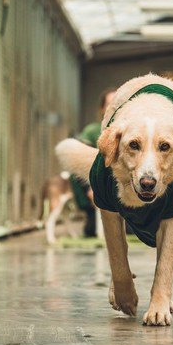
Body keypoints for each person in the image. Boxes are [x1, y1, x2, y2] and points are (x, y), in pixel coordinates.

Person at [71, 88, 116, 236]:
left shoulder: (129, 131)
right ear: (102, 108)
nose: (113, 107)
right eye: (109, 103)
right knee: (92, 229)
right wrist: (90, 188)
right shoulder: (92, 131)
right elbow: (80, 160)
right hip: (96, 191)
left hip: (121, 195)